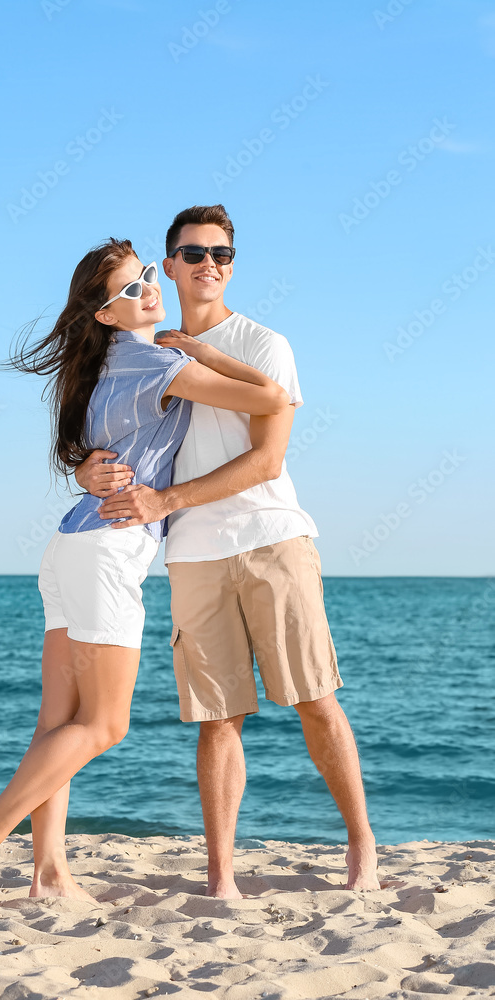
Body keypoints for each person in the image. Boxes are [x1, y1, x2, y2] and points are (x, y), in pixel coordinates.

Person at [0, 237, 289, 896]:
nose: (148, 289)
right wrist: (205, 351)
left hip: (71, 547)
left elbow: (90, 451)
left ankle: (48, 872)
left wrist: (81, 466)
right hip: (108, 551)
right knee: (104, 724)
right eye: (129, 290)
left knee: (58, 725)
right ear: (104, 315)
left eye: (147, 276)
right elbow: (272, 399)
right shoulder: (153, 364)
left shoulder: (103, 369)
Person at [77, 205, 381, 895]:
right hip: (190, 554)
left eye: (221, 252)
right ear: (169, 264)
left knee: (315, 699)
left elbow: (267, 461)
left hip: (273, 538)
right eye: (192, 253)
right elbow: (104, 438)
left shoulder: (263, 343)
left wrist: (165, 500)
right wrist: (84, 471)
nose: (208, 262)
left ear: (232, 264)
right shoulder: (142, 350)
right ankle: (220, 879)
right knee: (217, 720)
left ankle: (362, 850)